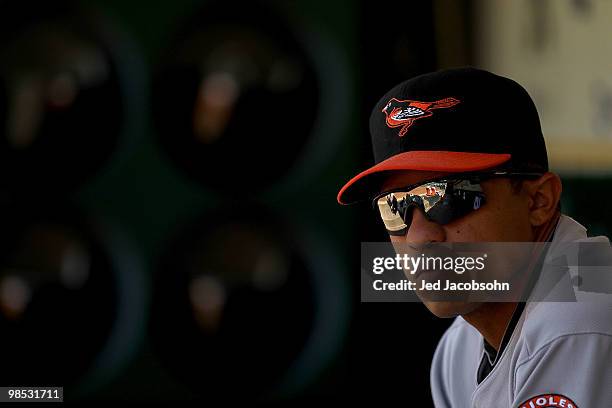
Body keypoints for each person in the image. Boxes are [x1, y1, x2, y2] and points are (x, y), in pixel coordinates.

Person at [337, 67, 612, 407]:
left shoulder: (581, 324)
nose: (419, 237)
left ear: (538, 201)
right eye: (394, 207)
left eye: (449, 196)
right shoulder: (461, 345)